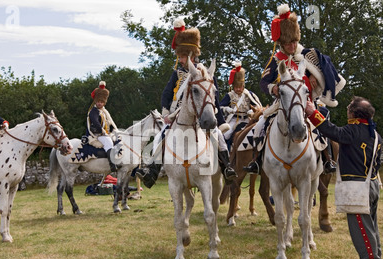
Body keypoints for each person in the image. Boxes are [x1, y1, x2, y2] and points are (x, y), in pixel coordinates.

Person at [243, 3, 345, 174]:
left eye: (294, 41)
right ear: (282, 42)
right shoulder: (276, 60)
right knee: (261, 124)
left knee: (323, 123)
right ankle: (256, 160)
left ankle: (328, 160)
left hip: (309, 103)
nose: (291, 46)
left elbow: (324, 75)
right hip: (282, 104)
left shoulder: (307, 56)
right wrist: (273, 88)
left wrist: (314, 75)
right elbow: (263, 82)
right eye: (288, 42)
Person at [136, 18, 237, 188]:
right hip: (178, 115)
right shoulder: (177, 73)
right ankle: (152, 171)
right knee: (162, 135)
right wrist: (166, 112)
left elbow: (215, 98)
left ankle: (226, 168)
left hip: (201, 114)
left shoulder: (205, 72)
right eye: (180, 56)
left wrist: (219, 120)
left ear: (191, 55)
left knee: (218, 136)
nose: (181, 60)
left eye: (183, 56)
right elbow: (166, 93)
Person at [306, 96, 383, 259]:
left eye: (349, 107)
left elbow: (332, 131)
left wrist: (312, 113)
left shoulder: (354, 130)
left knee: (362, 230)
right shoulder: (374, 133)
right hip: (371, 184)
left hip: (358, 189)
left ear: (354, 113)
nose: (347, 110)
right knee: (371, 228)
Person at [219, 61, 263, 149]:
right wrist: (227, 109)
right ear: (233, 86)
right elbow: (220, 107)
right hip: (234, 119)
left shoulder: (249, 94)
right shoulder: (229, 95)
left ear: (243, 86)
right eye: (236, 87)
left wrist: (252, 110)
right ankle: (226, 154)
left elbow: (258, 106)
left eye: (240, 87)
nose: (238, 89)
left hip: (247, 119)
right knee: (225, 135)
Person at [86, 81, 118, 173]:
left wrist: (114, 130)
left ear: (104, 103)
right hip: (97, 134)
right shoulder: (93, 111)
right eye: (98, 101)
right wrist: (102, 131)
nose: (99, 103)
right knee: (108, 142)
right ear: (96, 101)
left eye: (101, 102)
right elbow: (96, 122)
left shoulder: (104, 111)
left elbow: (109, 123)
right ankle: (112, 165)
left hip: (106, 133)